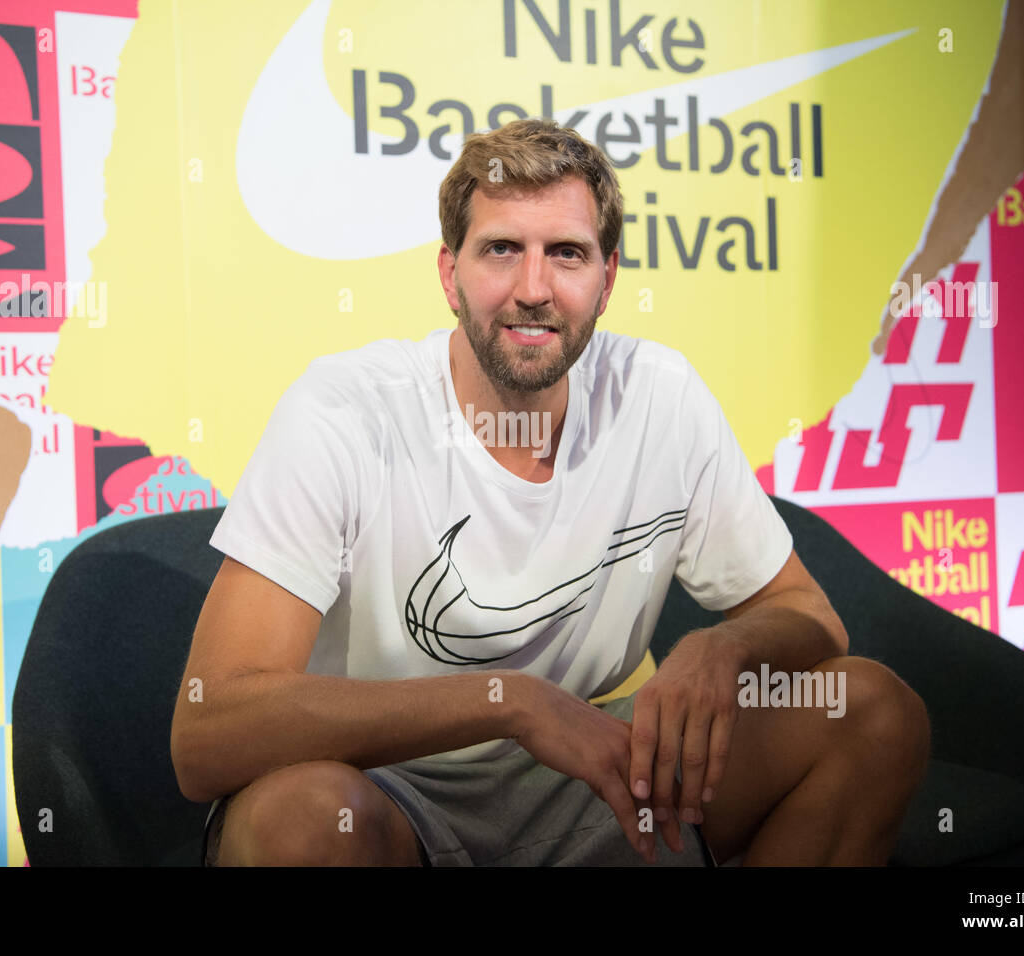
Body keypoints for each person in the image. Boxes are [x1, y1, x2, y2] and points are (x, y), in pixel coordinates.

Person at [170, 117, 931, 867]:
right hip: (381, 788)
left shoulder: (660, 396)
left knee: (872, 713)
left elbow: (810, 619)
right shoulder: (344, 409)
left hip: (591, 777)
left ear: (607, 280)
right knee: (302, 824)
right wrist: (513, 703)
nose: (533, 288)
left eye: (566, 254)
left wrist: (722, 648)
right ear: (449, 274)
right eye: (501, 248)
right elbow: (206, 734)